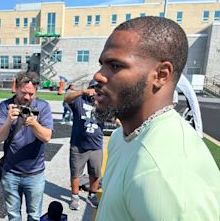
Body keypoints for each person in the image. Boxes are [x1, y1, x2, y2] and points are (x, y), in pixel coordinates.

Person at [93, 16, 220, 220]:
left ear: (161, 74)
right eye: (102, 64)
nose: (98, 75)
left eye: (115, 65)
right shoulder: (120, 137)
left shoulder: (161, 172)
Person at [0, 72, 53, 221]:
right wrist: (9, 120)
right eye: (23, 93)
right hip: (10, 172)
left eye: (31, 94)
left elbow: (46, 137)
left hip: (35, 173)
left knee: (34, 216)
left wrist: (34, 124)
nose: (27, 98)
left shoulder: (43, 106)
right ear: (16, 88)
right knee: (13, 215)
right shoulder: (4, 106)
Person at [64, 79, 104, 210]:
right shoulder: (80, 101)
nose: (96, 91)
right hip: (78, 145)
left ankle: (91, 195)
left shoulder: (103, 104)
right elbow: (66, 98)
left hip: (96, 145)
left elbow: (115, 116)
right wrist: (82, 92)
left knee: (96, 173)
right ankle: (75, 197)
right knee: (75, 173)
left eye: (99, 89)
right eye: (94, 88)